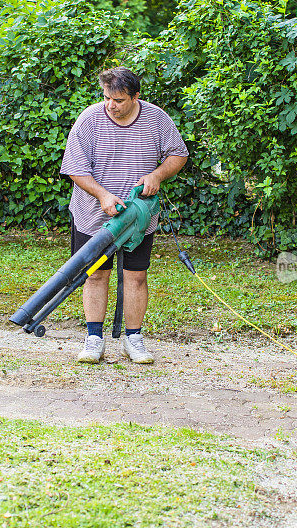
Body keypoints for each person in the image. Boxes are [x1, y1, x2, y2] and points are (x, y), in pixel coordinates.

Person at [60, 66, 188, 365]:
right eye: (106, 97)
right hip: (94, 214)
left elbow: (178, 154)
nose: (110, 105)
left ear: (135, 96)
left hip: (138, 216)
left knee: (136, 276)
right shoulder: (89, 120)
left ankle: (134, 339)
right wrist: (103, 195)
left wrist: (158, 174)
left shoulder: (157, 119)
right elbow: (75, 168)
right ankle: (93, 339)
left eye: (117, 99)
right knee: (95, 274)